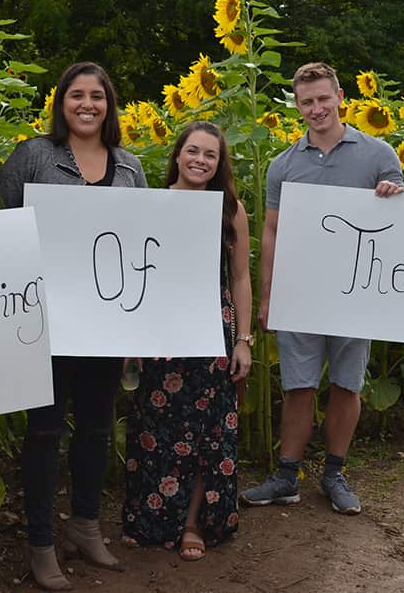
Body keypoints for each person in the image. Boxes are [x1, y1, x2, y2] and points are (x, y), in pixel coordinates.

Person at [0, 61, 148, 590]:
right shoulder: (34, 156)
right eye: (76, 95)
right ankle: (40, 543)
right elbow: (4, 226)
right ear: (61, 103)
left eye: (97, 96)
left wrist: (138, 326)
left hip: (106, 324)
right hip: (46, 322)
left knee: (96, 427)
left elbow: (138, 246)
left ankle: (85, 525)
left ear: (110, 105)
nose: (87, 104)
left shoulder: (129, 167)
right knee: (43, 431)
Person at [240, 62, 404, 515]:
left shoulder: (378, 155)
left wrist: (394, 193)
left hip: (359, 289)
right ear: (297, 105)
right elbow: (272, 231)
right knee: (298, 384)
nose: (316, 109)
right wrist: (269, 294)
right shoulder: (284, 165)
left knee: (346, 385)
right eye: (307, 102)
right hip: (302, 289)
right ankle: (286, 476)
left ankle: (334, 474)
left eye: (323, 99)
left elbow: (403, 222)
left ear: (340, 97)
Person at [121, 121, 252, 561]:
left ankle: (194, 522)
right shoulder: (151, 205)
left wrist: (244, 340)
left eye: (209, 155)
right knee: (155, 429)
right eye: (192, 151)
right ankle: (152, 519)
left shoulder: (229, 210)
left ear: (219, 164)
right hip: (160, 332)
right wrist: (130, 337)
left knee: (207, 434)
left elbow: (240, 277)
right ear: (177, 155)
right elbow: (133, 273)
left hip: (212, 332)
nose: (199, 160)